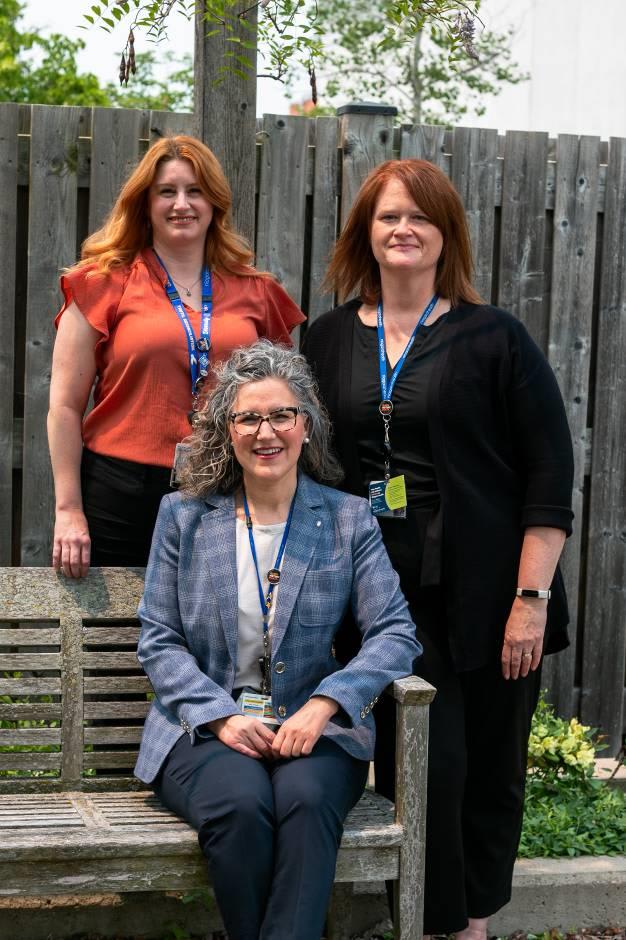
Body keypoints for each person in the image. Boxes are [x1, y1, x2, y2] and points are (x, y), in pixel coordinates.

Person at [302, 159, 574, 940]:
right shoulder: (325, 338)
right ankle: (426, 917)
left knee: (485, 769)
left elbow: (549, 477)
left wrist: (530, 601)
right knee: (418, 768)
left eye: (420, 217)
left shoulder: (495, 338)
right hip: (381, 597)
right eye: (388, 216)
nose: (403, 230)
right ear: (367, 232)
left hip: (491, 596)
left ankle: (469, 924)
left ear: (445, 233)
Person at [134, 340, 422, 940]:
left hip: (312, 727)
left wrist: (326, 705)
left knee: (306, 801)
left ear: (307, 426)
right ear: (226, 431)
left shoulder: (346, 519)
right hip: (203, 728)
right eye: (248, 417)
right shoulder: (183, 516)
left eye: (282, 415)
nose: (266, 433)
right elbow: (159, 639)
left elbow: (394, 630)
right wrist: (219, 718)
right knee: (240, 806)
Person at [48, 135, 304, 578]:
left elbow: (286, 408)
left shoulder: (257, 291)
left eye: (195, 191)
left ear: (215, 203)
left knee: (219, 633)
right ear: (145, 203)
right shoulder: (103, 283)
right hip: (119, 492)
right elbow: (65, 406)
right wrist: (68, 509)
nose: (181, 204)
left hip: (226, 486)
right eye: (167, 191)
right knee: (118, 640)